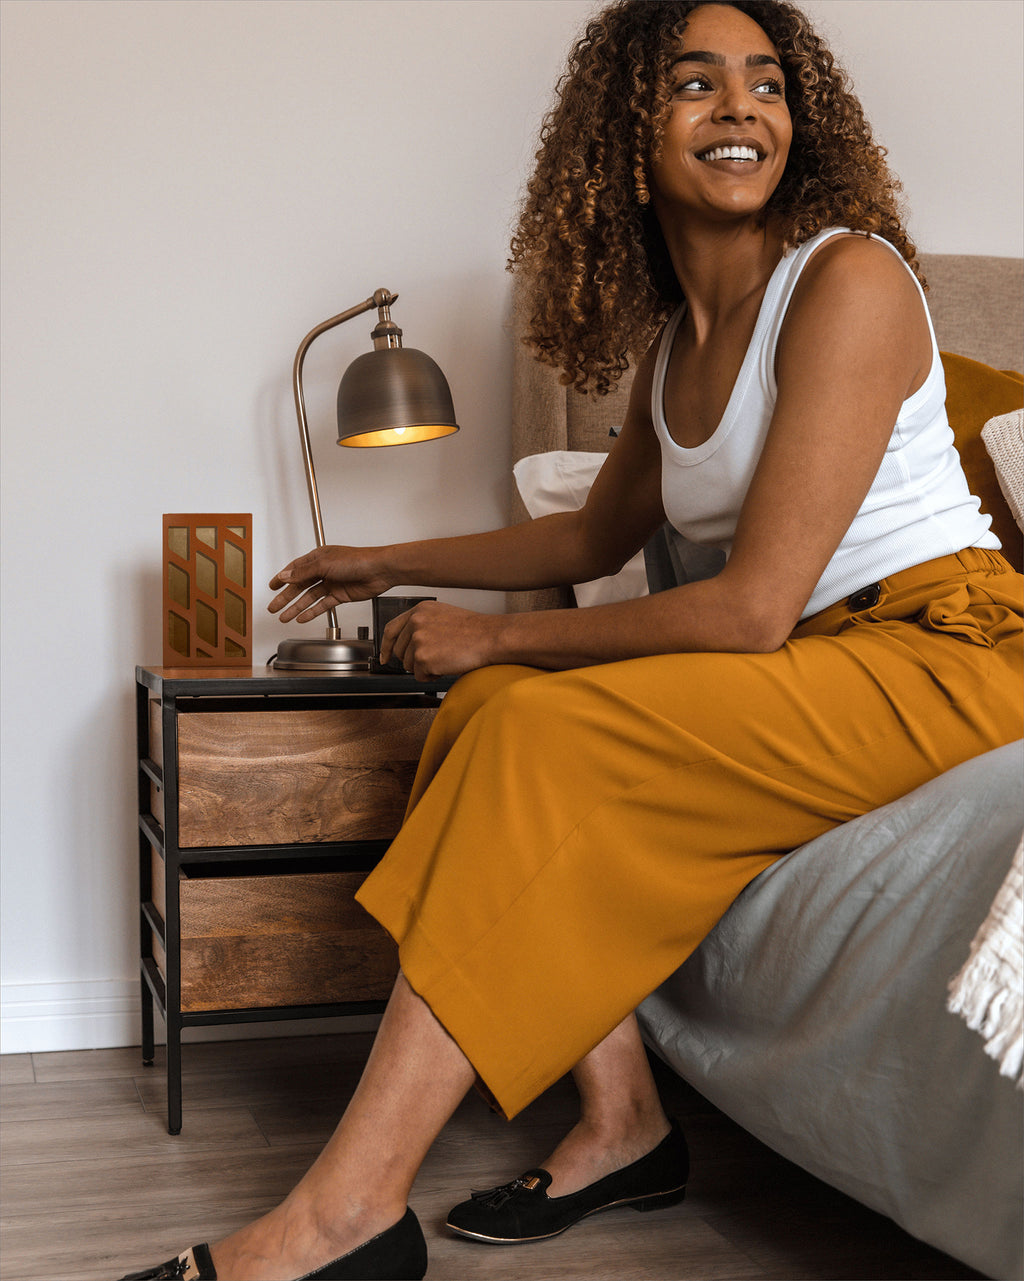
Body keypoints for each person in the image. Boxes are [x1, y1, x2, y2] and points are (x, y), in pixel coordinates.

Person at [120, 2, 1023, 1278]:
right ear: (625, 135)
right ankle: (624, 1121)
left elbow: (750, 610)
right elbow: (588, 540)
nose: (741, 107)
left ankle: (342, 1218)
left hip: (948, 652)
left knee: (526, 716)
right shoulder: (671, 355)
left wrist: (494, 644)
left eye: (766, 83)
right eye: (695, 83)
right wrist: (383, 560)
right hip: (827, 660)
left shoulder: (847, 279)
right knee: (490, 717)